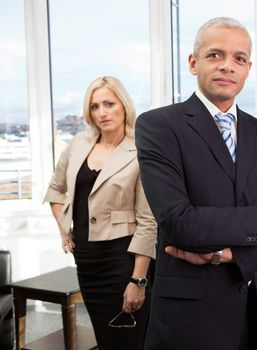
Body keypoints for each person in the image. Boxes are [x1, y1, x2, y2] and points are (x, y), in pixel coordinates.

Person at [134, 17, 257, 350]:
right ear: (193, 62)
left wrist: (229, 255)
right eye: (215, 55)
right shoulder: (158, 127)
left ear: (248, 69)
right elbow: (179, 222)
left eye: (239, 59)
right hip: (192, 316)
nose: (227, 66)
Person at [44, 76, 157, 350]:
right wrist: (64, 230)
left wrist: (137, 281)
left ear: (124, 105)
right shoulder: (79, 144)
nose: (102, 112)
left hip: (123, 261)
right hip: (87, 262)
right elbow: (56, 190)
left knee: (129, 340)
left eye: (109, 103)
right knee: (106, 339)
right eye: (95, 106)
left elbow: (148, 222)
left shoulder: (140, 150)